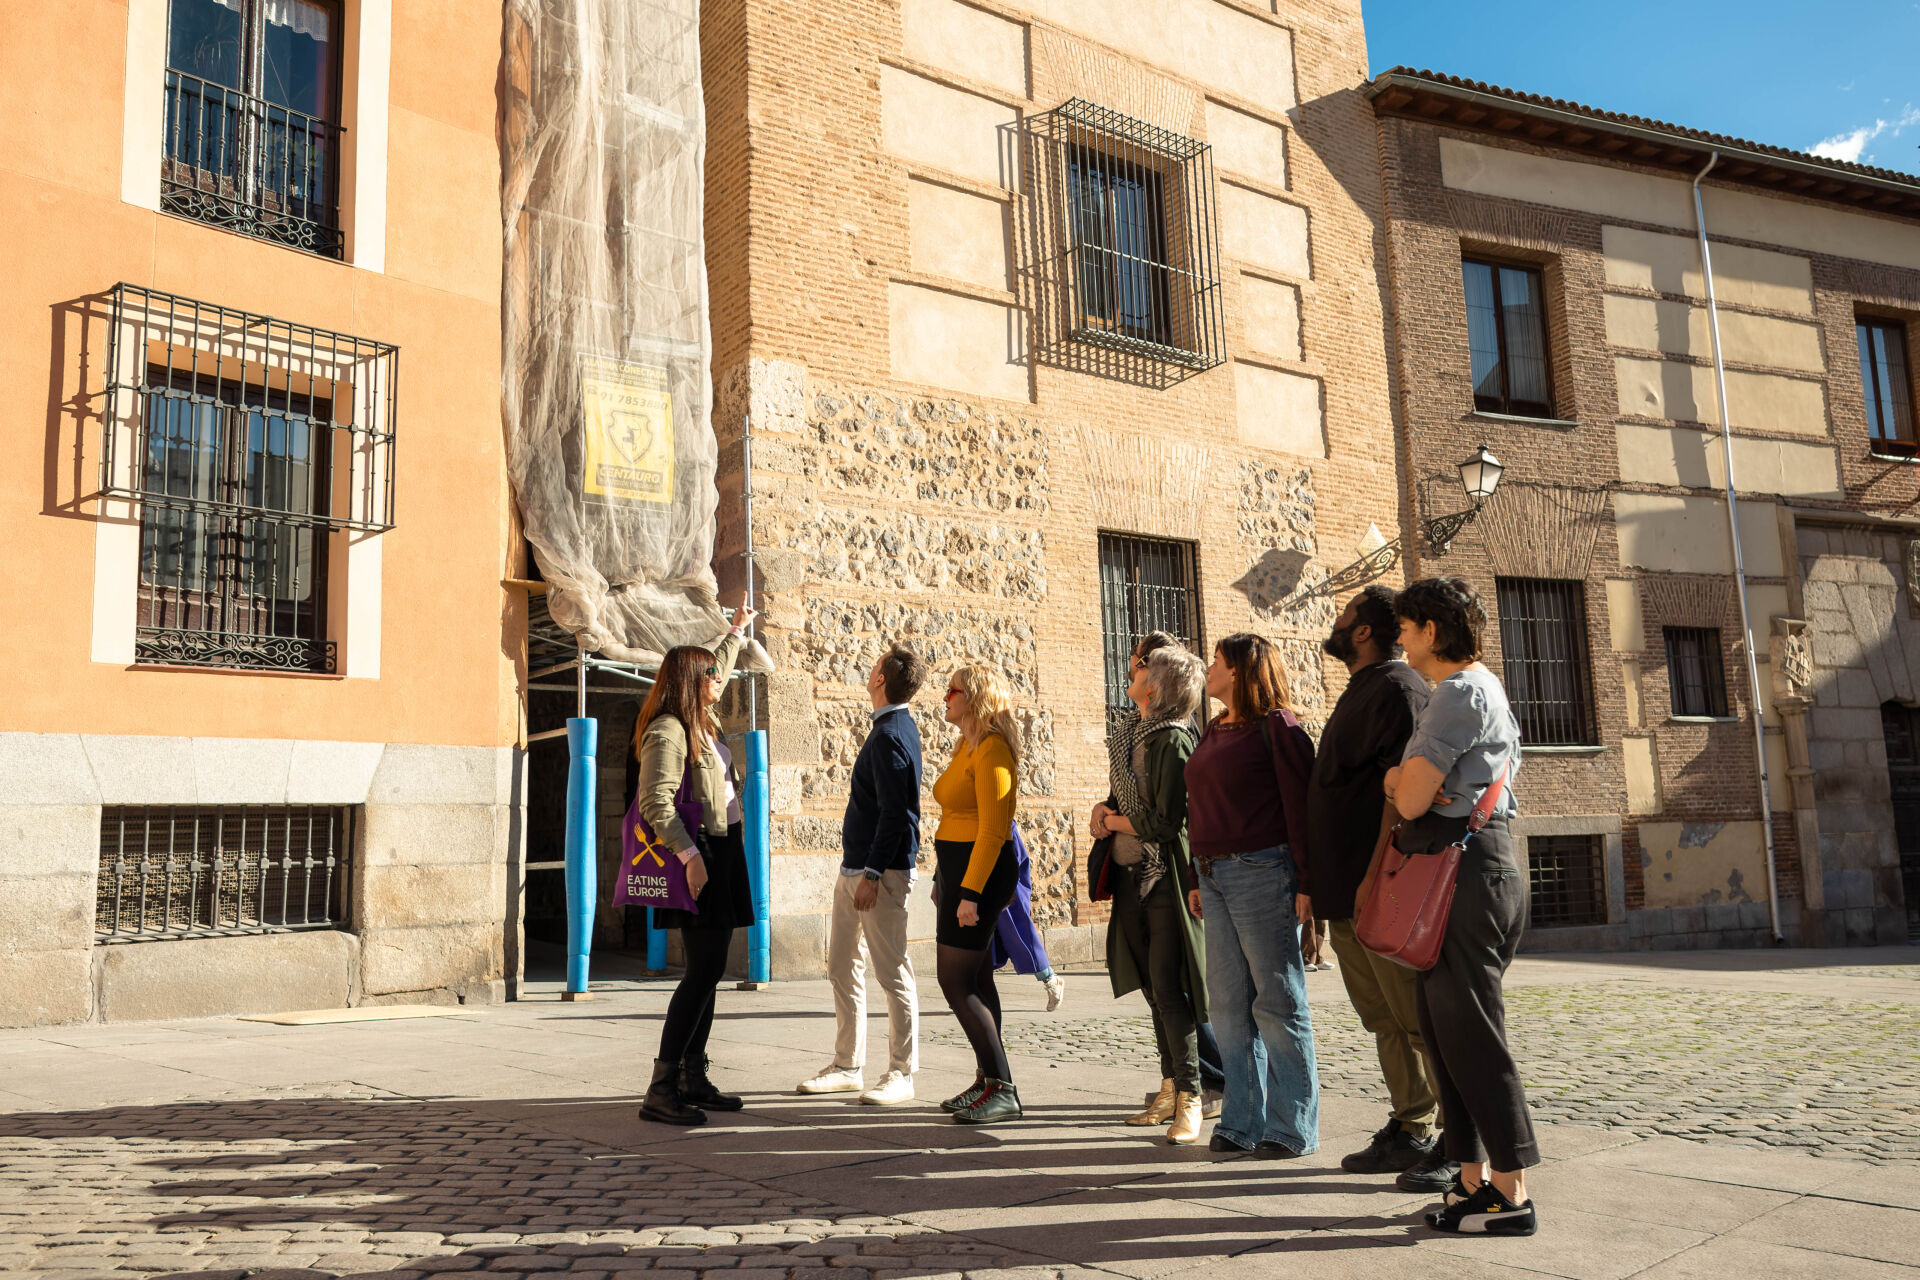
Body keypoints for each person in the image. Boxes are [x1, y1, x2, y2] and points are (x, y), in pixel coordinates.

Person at [1374, 577, 1537, 1235]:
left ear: (1432, 631)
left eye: (1406, 626)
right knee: (1446, 1037)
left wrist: (1396, 778)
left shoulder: (1457, 692)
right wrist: (1414, 783)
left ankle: (1512, 1193)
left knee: (1472, 1036)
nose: (1400, 637)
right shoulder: (1482, 687)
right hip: (1474, 868)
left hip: (1464, 874)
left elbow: (1412, 797)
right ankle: (1472, 1179)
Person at [1305, 586, 1454, 1193]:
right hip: (1346, 891)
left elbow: (1403, 793)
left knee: (1416, 1019)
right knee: (1383, 1019)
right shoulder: (1362, 688)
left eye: (1345, 616)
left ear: (1364, 631)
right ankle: (1411, 1124)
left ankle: (1457, 1138)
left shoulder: (1398, 689)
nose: (1337, 623)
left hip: (1380, 888)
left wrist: (1373, 877)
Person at [1184, 633, 1319, 1159]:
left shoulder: (1279, 728)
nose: (1208, 668)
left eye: (1217, 660)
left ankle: (1292, 1127)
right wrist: (1195, 876)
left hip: (1263, 871)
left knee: (1277, 1001)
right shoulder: (1214, 727)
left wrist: (1306, 882)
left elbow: (1301, 809)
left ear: (1240, 670)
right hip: (1213, 874)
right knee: (1227, 1005)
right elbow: (1197, 806)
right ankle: (1241, 1122)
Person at [635, 601, 758, 1127]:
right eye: (709, 675)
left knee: (708, 972)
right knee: (702, 971)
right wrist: (690, 856)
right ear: (690, 682)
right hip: (699, 852)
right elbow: (655, 802)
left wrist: (735, 632)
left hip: (724, 850)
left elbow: (721, 665)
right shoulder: (668, 730)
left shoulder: (702, 719)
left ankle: (692, 1076)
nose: (718, 680)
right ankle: (661, 1088)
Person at [797, 643, 927, 1106]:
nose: (869, 671)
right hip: (856, 867)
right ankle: (847, 1066)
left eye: (874, 667)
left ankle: (902, 1073)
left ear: (880, 680)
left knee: (892, 972)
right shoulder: (888, 728)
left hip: (879, 873)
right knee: (841, 965)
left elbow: (897, 814)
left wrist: (872, 873)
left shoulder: (891, 734)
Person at [1105, 632, 1228, 1119]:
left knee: (1169, 989)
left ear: (1154, 686)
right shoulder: (1137, 734)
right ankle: (1171, 1086)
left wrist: (1114, 822)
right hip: (1131, 874)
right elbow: (1131, 797)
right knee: (1155, 992)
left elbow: (1164, 820)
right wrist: (1105, 811)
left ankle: (1192, 1094)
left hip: (1163, 876)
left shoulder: (1172, 738)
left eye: (1141, 666)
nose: (1132, 670)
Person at [930, 664, 1024, 1124]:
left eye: (953, 691)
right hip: (958, 875)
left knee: (956, 982)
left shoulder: (993, 750)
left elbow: (992, 831)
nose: (945, 697)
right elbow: (954, 818)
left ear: (976, 697)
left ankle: (1003, 1089)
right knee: (979, 980)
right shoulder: (965, 747)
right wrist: (941, 878)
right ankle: (988, 1081)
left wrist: (969, 893)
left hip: (979, 877)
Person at [987, 826, 1068, 1012]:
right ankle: (970, 990)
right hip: (980, 876)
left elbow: (1012, 858)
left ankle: (1051, 980)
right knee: (982, 938)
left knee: (1017, 930)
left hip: (1003, 875)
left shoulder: (1004, 822)